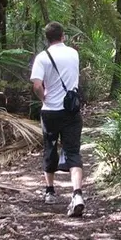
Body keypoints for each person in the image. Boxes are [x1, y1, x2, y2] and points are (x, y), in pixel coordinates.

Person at [29, 22, 85, 217]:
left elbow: (37, 85)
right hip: (71, 110)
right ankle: (77, 194)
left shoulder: (42, 58)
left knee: (50, 147)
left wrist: (44, 98)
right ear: (63, 36)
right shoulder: (74, 54)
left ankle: (50, 191)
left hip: (50, 112)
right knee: (72, 151)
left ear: (47, 38)